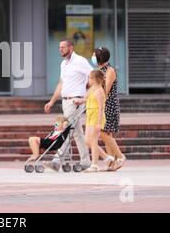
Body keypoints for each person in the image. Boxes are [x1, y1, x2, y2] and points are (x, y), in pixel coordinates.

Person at [44, 39, 92, 172]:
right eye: (59, 47)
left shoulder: (80, 61)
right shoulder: (63, 64)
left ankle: (57, 160)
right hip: (65, 101)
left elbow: (94, 77)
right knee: (77, 133)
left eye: (63, 47)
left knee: (64, 129)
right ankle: (85, 161)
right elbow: (61, 84)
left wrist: (85, 96)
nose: (60, 49)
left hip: (75, 102)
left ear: (71, 48)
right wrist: (52, 101)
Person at [92, 47, 126, 171]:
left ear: (99, 57)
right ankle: (111, 161)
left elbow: (105, 90)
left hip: (109, 104)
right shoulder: (99, 70)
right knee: (107, 133)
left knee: (102, 131)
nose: (92, 57)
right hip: (102, 104)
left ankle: (120, 156)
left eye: (94, 55)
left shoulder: (110, 71)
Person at [74, 70, 113, 172]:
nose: (89, 80)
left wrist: (99, 123)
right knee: (87, 141)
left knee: (93, 141)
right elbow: (86, 99)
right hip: (90, 116)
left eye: (90, 78)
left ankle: (94, 165)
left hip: (97, 116)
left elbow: (101, 108)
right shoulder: (91, 89)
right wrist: (79, 101)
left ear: (96, 79)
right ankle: (107, 158)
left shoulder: (100, 91)